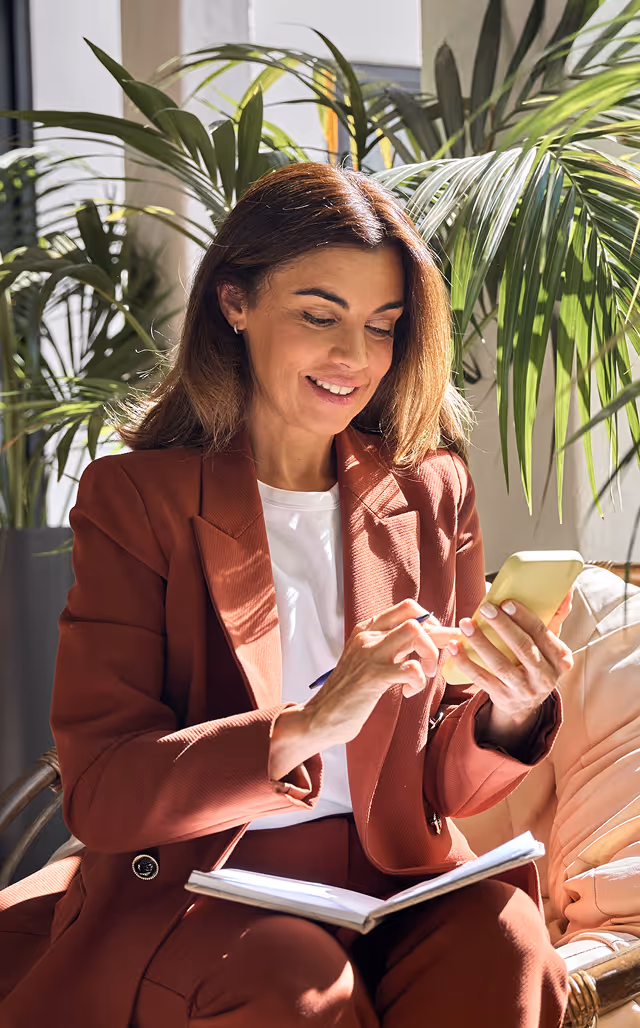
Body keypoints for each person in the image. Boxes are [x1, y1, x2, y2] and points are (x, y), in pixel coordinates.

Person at [0, 162, 573, 1028]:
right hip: (203, 885)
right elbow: (103, 793)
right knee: (294, 979)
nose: (355, 359)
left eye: (382, 327)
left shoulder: (431, 490)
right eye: (319, 316)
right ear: (236, 305)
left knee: (508, 942)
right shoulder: (135, 499)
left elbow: (444, 786)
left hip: (397, 878)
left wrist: (505, 715)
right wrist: (305, 725)